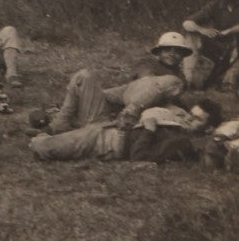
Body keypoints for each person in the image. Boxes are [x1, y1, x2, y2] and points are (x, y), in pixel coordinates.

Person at [29, 32, 194, 161]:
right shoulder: (148, 65)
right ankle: (59, 124)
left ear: (183, 56)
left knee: (173, 85)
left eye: (177, 51)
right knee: (84, 75)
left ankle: (61, 129)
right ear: (158, 52)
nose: (172, 54)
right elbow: (134, 86)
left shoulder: (180, 80)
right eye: (168, 49)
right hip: (115, 115)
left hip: (116, 129)